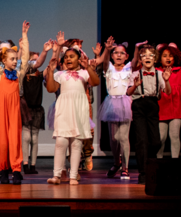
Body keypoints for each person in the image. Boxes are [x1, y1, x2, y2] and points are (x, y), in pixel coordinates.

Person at [45, 33, 102, 185]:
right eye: (66, 57)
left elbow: (95, 82)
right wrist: (50, 71)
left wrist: (88, 67)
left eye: (72, 56)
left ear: (79, 59)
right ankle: (57, 175)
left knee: (76, 144)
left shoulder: (84, 73)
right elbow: (51, 89)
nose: (68, 59)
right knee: (61, 142)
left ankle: (73, 176)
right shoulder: (60, 74)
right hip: (64, 110)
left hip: (78, 110)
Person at [0, 19, 30, 185]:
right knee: (1, 141)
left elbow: (25, 58)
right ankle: (2, 170)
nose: (15, 61)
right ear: (4, 60)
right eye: (11, 59)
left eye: (15, 59)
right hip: (0, 111)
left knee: (15, 141)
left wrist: (24, 35)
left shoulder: (18, 75)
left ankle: (16, 170)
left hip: (14, 111)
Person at [128, 43, 170, 184]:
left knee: (156, 141)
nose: (147, 57)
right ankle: (144, 172)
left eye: (150, 55)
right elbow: (128, 92)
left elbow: (168, 91)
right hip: (139, 105)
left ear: (155, 59)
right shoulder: (135, 74)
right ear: (140, 59)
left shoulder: (159, 74)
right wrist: (135, 86)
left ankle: (150, 165)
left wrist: (166, 81)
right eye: (144, 55)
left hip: (152, 105)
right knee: (142, 141)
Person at [97, 38, 131, 179]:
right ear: (112, 55)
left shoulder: (129, 68)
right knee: (114, 138)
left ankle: (125, 168)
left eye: (121, 53)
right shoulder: (109, 68)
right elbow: (104, 63)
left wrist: (137, 48)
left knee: (124, 137)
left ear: (126, 56)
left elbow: (136, 61)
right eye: (116, 53)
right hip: (112, 103)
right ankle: (117, 162)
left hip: (124, 104)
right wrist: (107, 49)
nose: (118, 55)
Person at [20, 41, 53, 174]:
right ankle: (25, 164)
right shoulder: (23, 76)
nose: (35, 62)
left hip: (37, 109)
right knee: (26, 137)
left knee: (34, 138)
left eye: (37, 60)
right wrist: (22, 49)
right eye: (33, 59)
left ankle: (33, 165)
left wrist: (53, 51)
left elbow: (50, 66)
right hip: (26, 109)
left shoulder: (39, 76)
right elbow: (22, 62)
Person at [156, 44, 181, 159]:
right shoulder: (156, 72)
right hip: (161, 109)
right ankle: (158, 162)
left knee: (175, 136)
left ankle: (175, 162)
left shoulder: (180, 72)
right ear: (160, 58)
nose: (168, 58)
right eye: (164, 56)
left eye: (170, 56)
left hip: (176, 109)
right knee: (161, 137)